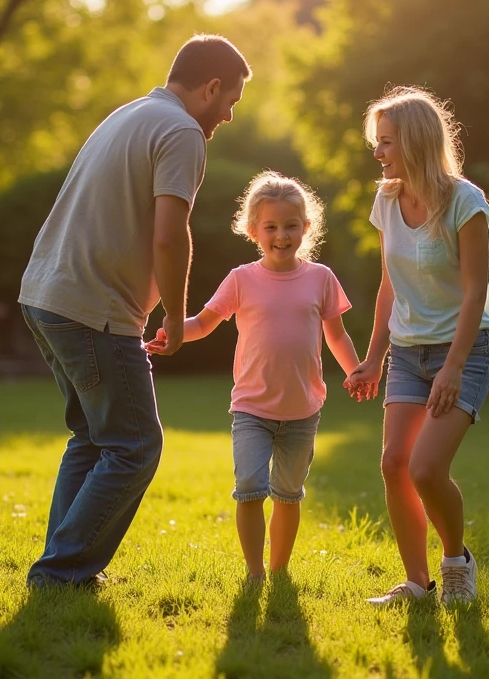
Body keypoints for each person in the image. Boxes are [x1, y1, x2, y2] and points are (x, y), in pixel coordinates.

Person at [19, 34, 251, 588]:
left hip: (46, 297)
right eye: (231, 101)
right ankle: (61, 571)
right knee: (135, 446)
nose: (229, 115)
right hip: (93, 311)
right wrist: (175, 315)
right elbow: (171, 237)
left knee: (95, 439)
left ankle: (62, 565)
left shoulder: (130, 114)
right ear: (210, 87)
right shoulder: (182, 131)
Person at [147, 171, 362, 580]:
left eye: (291, 226)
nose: (282, 235)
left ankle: (279, 570)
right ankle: (254, 571)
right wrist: (174, 332)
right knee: (249, 488)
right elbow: (205, 322)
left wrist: (356, 371)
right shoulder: (242, 279)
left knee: (287, 495)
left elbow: (337, 335)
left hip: (303, 410)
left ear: (306, 227)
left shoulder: (321, 279)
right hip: (251, 408)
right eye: (271, 227)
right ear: (253, 231)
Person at [345, 87, 489, 605]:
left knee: (426, 468)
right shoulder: (386, 201)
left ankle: (456, 560)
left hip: (465, 349)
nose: (378, 153)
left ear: (414, 141)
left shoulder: (465, 201)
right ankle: (416, 583)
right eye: (377, 143)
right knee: (393, 464)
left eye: (386, 142)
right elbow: (391, 284)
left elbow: (475, 290)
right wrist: (372, 358)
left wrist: (454, 367)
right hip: (409, 352)